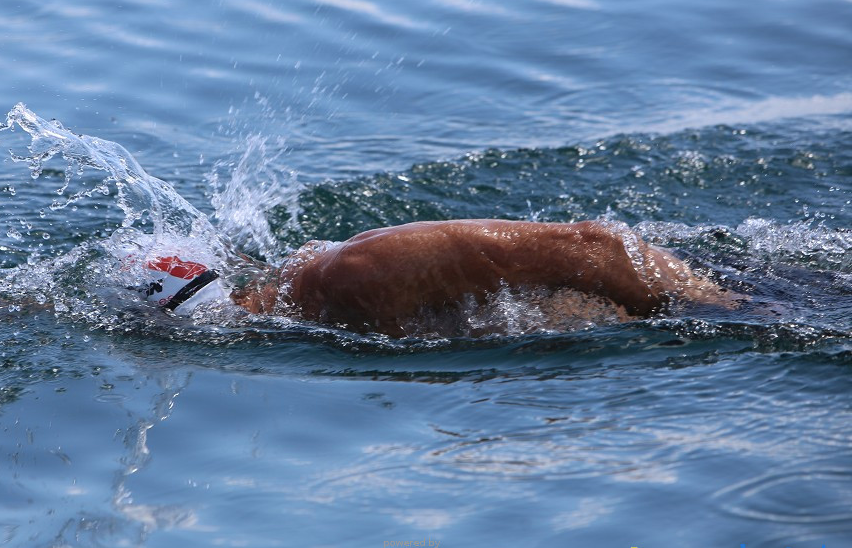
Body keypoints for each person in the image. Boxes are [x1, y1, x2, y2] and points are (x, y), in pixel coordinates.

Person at [126, 218, 737, 337]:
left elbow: (593, 246)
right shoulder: (293, 303)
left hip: (710, 290)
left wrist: (727, 312)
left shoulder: (355, 277)